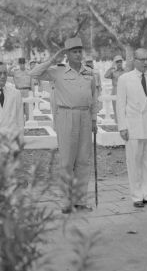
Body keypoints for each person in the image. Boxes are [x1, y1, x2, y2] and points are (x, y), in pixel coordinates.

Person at [29, 37, 98, 214]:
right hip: (66, 115)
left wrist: (94, 119)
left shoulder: (89, 72)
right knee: (67, 161)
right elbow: (34, 74)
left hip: (84, 115)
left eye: (79, 51)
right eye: (74, 52)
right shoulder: (57, 71)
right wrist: (53, 60)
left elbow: (94, 96)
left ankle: (80, 201)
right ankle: (66, 201)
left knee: (83, 160)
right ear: (67, 54)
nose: (78, 54)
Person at [116, 48, 147, 208]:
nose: (145, 62)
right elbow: (120, 105)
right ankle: (137, 196)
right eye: (142, 59)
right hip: (133, 126)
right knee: (134, 162)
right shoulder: (125, 79)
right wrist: (122, 126)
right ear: (134, 60)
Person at [104, 55, 126, 124]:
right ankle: (117, 123)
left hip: (123, 90)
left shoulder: (125, 71)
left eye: (120, 61)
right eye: (117, 62)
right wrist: (111, 67)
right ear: (115, 63)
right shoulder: (113, 72)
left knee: (124, 108)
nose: (119, 63)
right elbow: (106, 76)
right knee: (116, 108)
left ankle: (124, 124)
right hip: (115, 90)